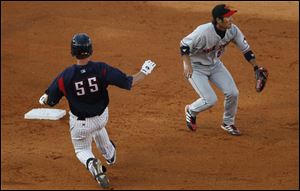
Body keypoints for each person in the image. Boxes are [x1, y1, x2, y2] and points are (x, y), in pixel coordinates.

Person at [39, 33, 156, 188]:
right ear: (90, 50)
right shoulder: (101, 69)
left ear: (73, 51)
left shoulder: (65, 76)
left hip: (80, 125)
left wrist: (45, 98)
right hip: (101, 117)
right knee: (98, 128)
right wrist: (144, 71)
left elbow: (51, 100)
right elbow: (129, 82)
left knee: (81, 150)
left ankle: (91, 162)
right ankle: (110, 154)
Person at [180, 4, 268, 135]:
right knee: (210, 100)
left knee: (233, 93)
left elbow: (246, 50)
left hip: (215, 65)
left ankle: (228, 123)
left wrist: (256, 67)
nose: (231, 19)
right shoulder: (203, 32)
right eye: (227, 17)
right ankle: (191, 111)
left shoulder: (233, 30)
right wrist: (187, 64)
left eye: (231, 16)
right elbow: (184, 45)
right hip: (196, 68)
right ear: (218, 20)